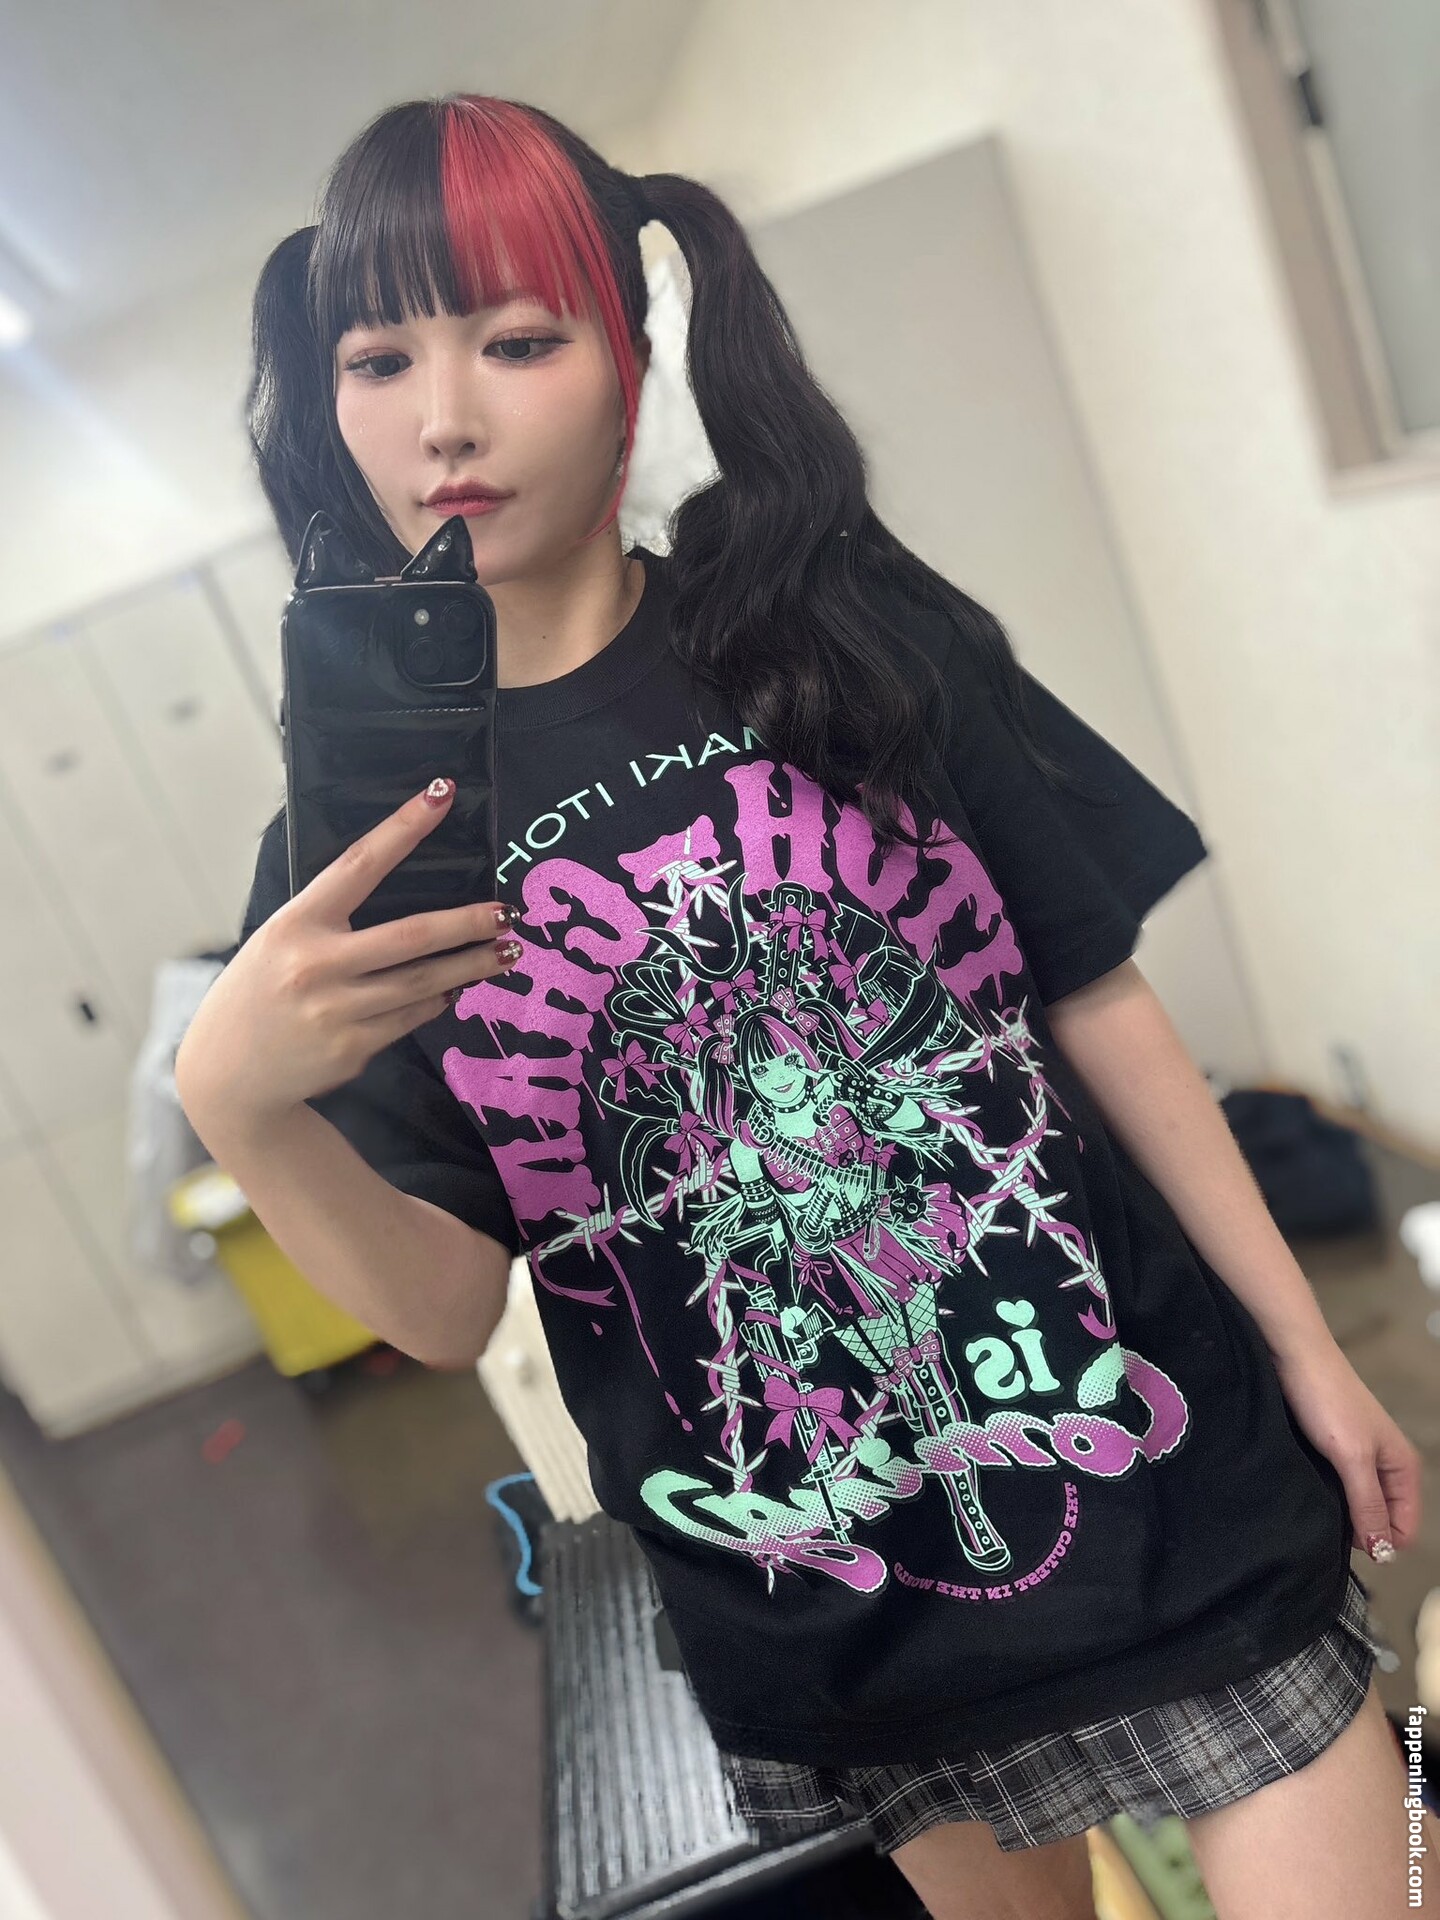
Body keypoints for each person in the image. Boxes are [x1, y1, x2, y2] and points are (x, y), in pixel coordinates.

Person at [175, 93, 1433, 1920]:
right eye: (379, 361)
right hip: (834, 1622)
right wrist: (240, 1103)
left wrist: (1309, 1347)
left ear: (628, 353)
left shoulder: (831, 617)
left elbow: (1095, 992)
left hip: (1171, 1490)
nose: (443, 418)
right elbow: (442, 1306)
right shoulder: (362, 845)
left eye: (516, 341)